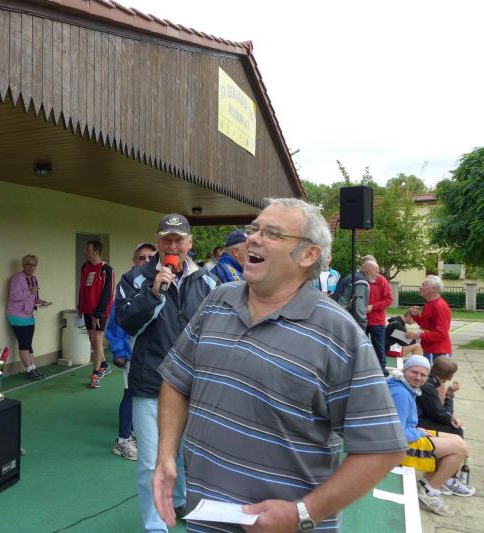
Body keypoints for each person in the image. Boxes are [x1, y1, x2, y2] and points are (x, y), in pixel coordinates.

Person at [154, 198, 407, 533]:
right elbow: (176, 380)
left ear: (308, 255)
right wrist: (166, 455)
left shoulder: (338, 334)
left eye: (272, 233)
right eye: (254, 229)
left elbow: (382, 448)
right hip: (207, 520)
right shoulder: (217, 302)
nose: (253, 239)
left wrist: (302, 513)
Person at [116, 214, 218, 533]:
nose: (172, 246)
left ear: (190, 242)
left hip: (191, 386)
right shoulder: (135, 278)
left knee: (188, 455)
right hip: (150, 383)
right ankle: (155, 526)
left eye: (178, 240)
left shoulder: (207, 281)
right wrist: (154, 292)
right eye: (166, 240)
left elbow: (216, 332)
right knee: (151, 461)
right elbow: (126, 322)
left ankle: (180, 501)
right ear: (158, 242)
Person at [387, 356, 474, 517]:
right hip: (394, 446)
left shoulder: (404, 385)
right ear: (404, 370)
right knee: (460, 448)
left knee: (456, 438)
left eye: (423, 375)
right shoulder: (401, 393)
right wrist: (417, 432)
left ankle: (430, 483)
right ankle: (430, 490)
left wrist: (416, 430)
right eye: (414, 372)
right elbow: (397, 433)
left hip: (409, 432)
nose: (418, 377)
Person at [105, 242, 156, 461]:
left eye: (150, 257)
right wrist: (118, 351)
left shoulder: (158, 281)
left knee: (144, 395)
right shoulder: (126, 283)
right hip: (131, 352)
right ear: (134, 260)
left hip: (151, 353)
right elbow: (116, 321)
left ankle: (135, 434)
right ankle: (122, 440)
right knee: (130, 395)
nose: (146, 261)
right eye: (141, 257)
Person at [7, 254, 51, 380]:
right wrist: (29, 291)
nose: (30, 267)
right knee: (24, 344)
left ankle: (33, 368)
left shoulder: (34, 279)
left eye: (33, 265)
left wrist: (40, 301)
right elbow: (14, 296)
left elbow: (32, 297)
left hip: (29, 316)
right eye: (27, 264)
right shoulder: (17, 278)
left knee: (29, 345)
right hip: (17, 315)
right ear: (23, 265)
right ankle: (28, 369)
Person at [78, 240, 115, 389]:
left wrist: (98, 314)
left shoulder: (106, 270)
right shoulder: (85, 267)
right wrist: (80, 306)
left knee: (98, 340)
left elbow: (108, 294)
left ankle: (95, 375)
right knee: (92, 339)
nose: (85, 252)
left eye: (87, 250)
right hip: (86, 310)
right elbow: (82, 288)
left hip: (100, 312)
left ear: (95, 252)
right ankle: (104, 365)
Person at [407, 275, 452, 364]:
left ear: (433, 289)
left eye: (424, 285)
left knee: (433, 373)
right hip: (429, 349)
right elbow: (425, 325)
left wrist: (419, 335)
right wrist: (416, 316)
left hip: (438, 351)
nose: (420, 287)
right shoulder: (429, 304)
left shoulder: (440, 306)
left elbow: (441, 333)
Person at [416, 358, 464, 437]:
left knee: (453, 426)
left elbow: (439, 411)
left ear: (431, 367)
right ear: (450, 377)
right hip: (416, 423)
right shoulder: (427, 386)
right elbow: (443, 417)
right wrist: (449, 395)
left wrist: (450, 417)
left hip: (418, 417)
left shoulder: (430, 382)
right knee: (456, 430)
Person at [362, 260, 392, 375]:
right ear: (368, 271)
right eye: (376, 271)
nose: (378, 273)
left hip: (377, 321)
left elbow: (388, 300)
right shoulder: (361, 280)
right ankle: (363, 368)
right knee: (361, 345)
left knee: (379, 347)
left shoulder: (381, 281)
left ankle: (381, 371)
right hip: (361, 319)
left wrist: (373, 306)